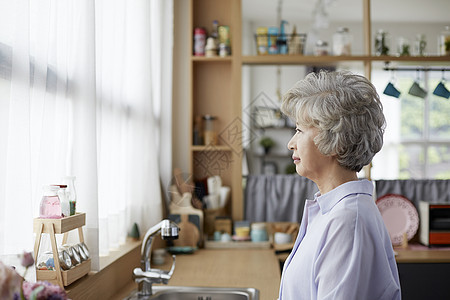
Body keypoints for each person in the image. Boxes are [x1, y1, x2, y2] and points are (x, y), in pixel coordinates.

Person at [278, 70, 401, 300]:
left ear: (336, 142)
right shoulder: (334, 211)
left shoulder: (347, 222)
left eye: (299, 131)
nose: (290, 144)